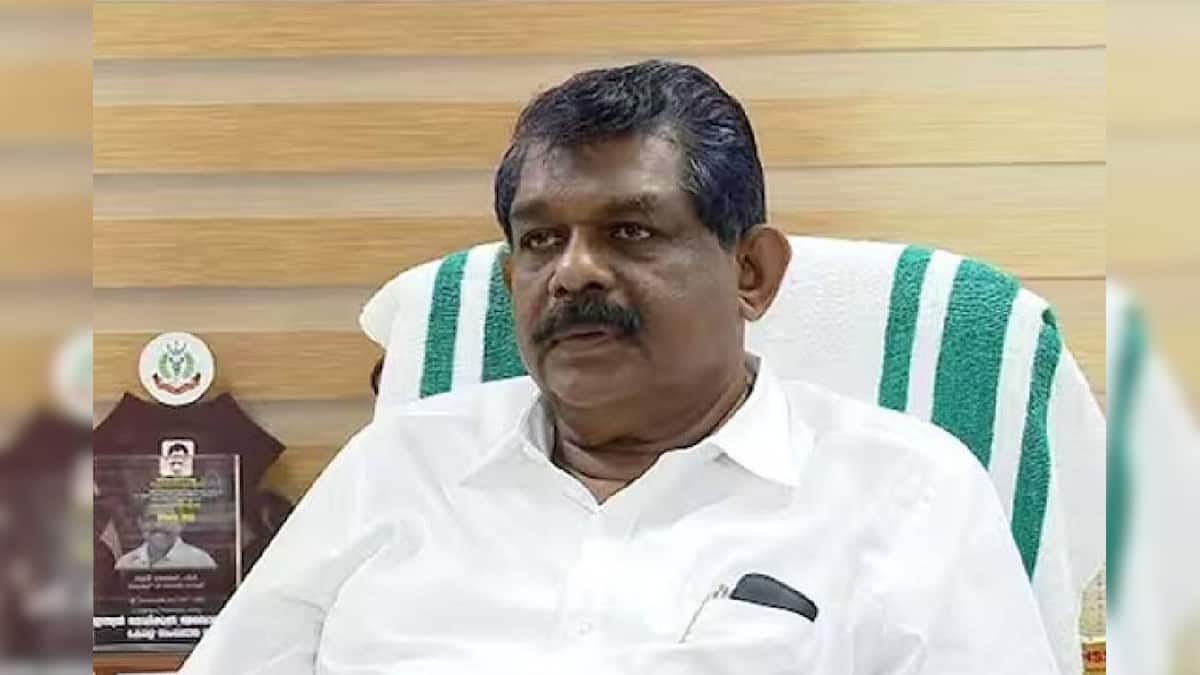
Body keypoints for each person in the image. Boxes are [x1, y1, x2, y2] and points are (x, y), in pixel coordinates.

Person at [181, 61, 1058, 674]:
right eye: (540, 240)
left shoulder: (909, 495)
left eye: (631, 231)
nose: (572, 273)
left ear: (752, 272)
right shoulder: (396, 467)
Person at [114, 508, 216, 571]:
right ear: (140, 523)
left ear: (181, 523)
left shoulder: (200, 561)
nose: (158, 525)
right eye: (152, 518)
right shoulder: (125, 563)